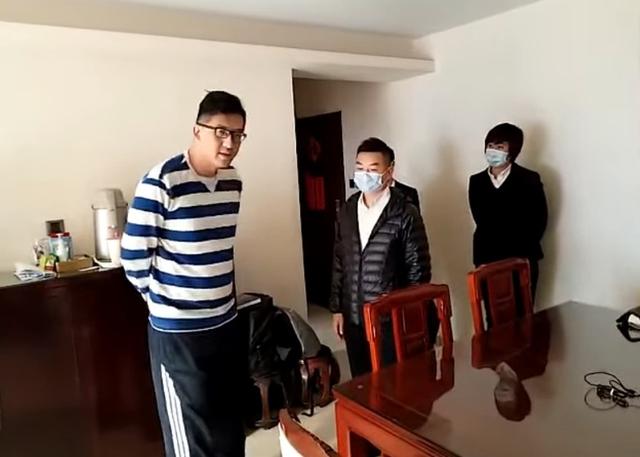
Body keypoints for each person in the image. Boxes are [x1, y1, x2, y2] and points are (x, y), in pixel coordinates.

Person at [121, 91, 248, 457]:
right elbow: (133, 258)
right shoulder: (162, 180)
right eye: (221, 132)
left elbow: (221, 249)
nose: (230, 143)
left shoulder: (233, 182)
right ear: (197, 130)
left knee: (229, 428)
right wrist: (165, 301)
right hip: (179, 333)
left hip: (225, 323)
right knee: (191, 439)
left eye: (238, 134)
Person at [329, 137, 436, 378]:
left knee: (392, 381)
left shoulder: (405, 213)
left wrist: (408, 318)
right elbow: (339, 260)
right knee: (361, 379)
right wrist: (337, 308)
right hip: (354, 314)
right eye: (360, 168)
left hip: (390, 319)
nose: (364, 175)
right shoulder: (347, 209)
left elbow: (418, 272)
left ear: (389, 172)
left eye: (372, 169)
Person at [468, 123, 548, 308]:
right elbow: (481, 220)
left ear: (512, 150)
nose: (493, 151)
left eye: (500, 146)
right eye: (490, 146)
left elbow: (539, 221)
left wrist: (519, 254)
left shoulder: (529, 179)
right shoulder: (477, 181)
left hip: (522, 258)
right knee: (492, 314)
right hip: (487, 259)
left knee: (523, 313)